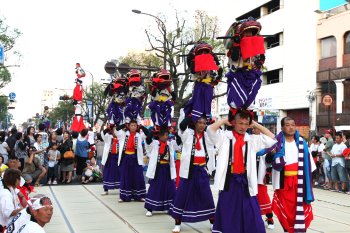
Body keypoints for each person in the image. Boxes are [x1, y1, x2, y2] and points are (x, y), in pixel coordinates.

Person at [207, 110, 276, 233]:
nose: (243, 127)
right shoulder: (224, 137)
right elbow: (210, 130)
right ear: (234, 123)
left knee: (251, 208)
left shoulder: (252, 139)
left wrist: (255, 124)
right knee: (228, 207)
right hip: (229, 178)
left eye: (246, 124)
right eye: (240, 123)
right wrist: (223, 121)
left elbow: (272, 138)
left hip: (245, 179)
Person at [168, 116, 216, 233]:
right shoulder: (188, 134)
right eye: (199, 122)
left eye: (204, 123)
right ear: (194, 123)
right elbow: (182, 126)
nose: (201, 125)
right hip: (189, 170)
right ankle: (178, 223)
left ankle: (213, 223)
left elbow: (215, 133)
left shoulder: (207, 135)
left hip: (202, 169)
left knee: (207, 196)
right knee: (182, 195)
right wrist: (190, 114)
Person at [270, 117, 316, 233]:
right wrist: (272, 154)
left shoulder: (302, 143)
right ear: (282, 127)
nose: (291, 127)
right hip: (284, 183)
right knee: (286, 211)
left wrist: (308, 184)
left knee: (300, 210)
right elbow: (266, 159)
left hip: (300, 183)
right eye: (287, 125)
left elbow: (309, 165)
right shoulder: (276, 143)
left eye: (293, 124)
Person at [144, 127, 180, 217]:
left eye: (167, 135)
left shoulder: (170, 143)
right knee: (155, 187)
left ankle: (170, 207)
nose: (166, 137)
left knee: (170, 188)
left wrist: (175, 133)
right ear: (159, 136)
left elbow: (179, 142)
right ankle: (150, 208)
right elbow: (148, 140)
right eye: (164, 135)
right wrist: (153, 132)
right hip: (158, 169)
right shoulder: (155, 143)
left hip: (167, 169)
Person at [115, 120, 147, 202]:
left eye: (135, 125)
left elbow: (148, 133)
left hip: (136, 159)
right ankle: (124, 196)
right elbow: (116, 130)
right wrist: (124, 125)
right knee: (126, 177)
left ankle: (139, 196)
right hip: (126, 158)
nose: (133, 127)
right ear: (129, 126)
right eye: (131, 125)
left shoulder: (139, 136)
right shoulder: (124, 134)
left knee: (138, 177)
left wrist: (142, 126)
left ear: (137, 127)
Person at [252, 124, 275, 230]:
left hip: (261, 172)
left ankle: (270, 218)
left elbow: (270, 155)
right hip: (249, 173)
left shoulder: (266, 139)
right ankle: (253, 218)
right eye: (252, 128)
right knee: (250, 197)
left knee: (263, 196)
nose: (253, 129)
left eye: (255, 127)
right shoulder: (248, 138)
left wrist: (270, 154)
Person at [100, 125, 120, 195]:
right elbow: (102, 134)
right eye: (113, 130)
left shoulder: (121, 137)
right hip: (109, 157)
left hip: (118, 158)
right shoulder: (108, 137)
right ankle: (106, 189)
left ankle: (122, 189)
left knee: (120, 173)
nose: (115, 132)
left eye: (116, 130)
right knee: (107, 173)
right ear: (111, 131)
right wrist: (107, 129)